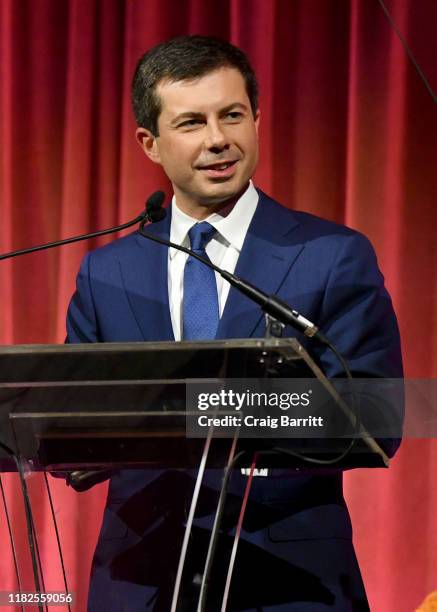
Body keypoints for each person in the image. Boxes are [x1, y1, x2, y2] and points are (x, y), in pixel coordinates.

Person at [67, 35, 403, 611]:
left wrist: (209, 408)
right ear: (150, 143)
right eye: (192, 122)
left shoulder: (331, 254)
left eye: (232, 115)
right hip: (139, 578)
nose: (218, 139)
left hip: (287, 579)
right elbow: (74, 423)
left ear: (256, 119)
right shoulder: (107, 271)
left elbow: (376, 411)